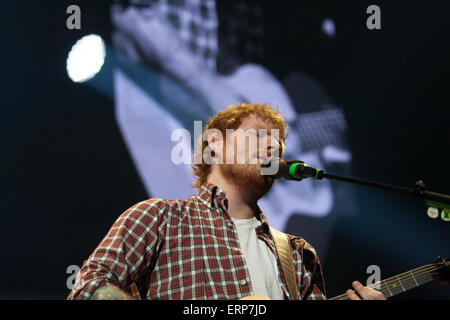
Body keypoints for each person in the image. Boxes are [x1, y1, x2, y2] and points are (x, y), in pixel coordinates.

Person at [67, 102, 385, 300]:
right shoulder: (160, 218)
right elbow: (89, 285)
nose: (273, 148)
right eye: (260, 135)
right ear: (215, 143)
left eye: (278, 145)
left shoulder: (299, 254)